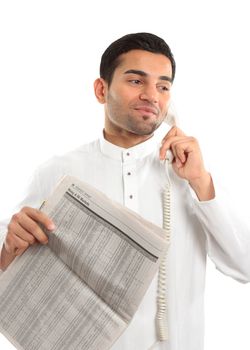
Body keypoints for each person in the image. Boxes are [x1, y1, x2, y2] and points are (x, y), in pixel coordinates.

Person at [0, 32, 250, 350]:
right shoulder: (56, 172)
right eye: (136, 81)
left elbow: (245, 265)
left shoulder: (191, 175)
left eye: (163, 86)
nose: (152, 96)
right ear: (101, 89)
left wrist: (200, 182)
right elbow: (9, 265)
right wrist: (8, 249)